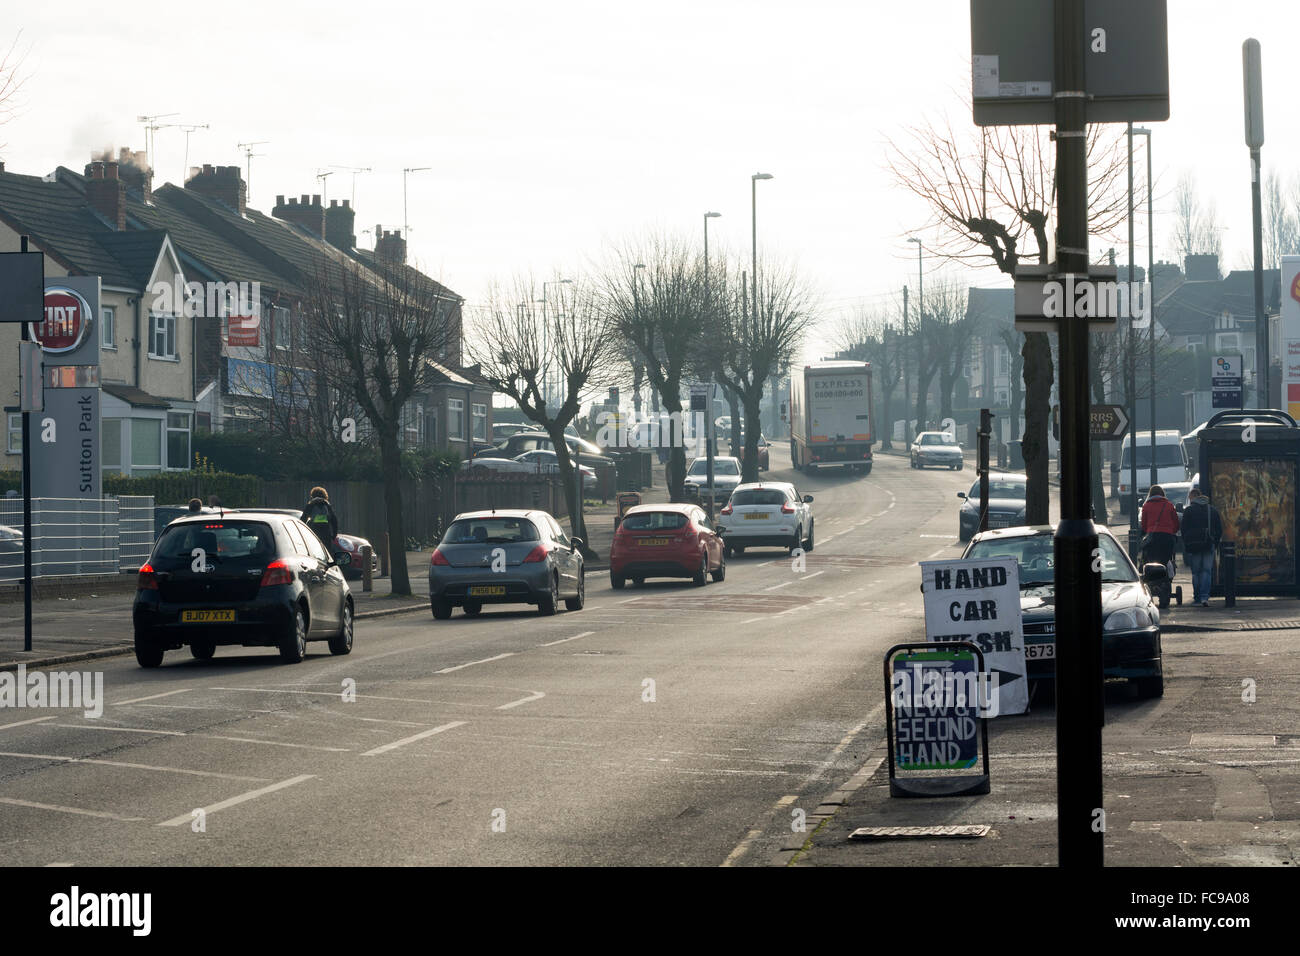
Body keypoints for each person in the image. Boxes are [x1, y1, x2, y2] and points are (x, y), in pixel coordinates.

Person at [1181, 486, 1223, 607]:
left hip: (1194, 546)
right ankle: (1205, 597)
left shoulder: (1189, 511)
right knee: (1206, 571)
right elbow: (1219, 529)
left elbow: (1184, 529)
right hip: (1208, 544)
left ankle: (1197, 598)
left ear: (1193, 497)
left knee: (1196, 572)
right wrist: (1214, 542)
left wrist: (1187, 542)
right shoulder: (1212, 510)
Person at [1139, 483, 1180, 586]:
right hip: (1167, 538)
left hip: (1152, 538)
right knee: (1166, 559)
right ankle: (1168, 577)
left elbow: (1144, 524)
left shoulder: (1146, 506)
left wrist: (1147, 531)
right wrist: (1172, 531)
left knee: (1150, 559)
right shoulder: (1169, 505)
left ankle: (1151, 579)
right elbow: (1175, 523)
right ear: (1162, 494)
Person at [301, 486, 339, 550]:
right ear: (325, 495)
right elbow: (334, 521)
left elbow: (303, 519)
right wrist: (333, 536)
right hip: (326, 533)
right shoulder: (327, 504)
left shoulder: (311, 504)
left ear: (312, 495)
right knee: (327, 553)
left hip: (313, 533)